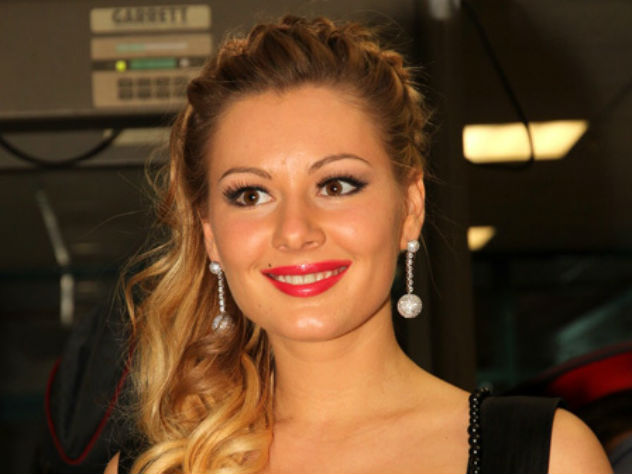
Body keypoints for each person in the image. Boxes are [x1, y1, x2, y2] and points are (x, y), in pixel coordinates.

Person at [106, 15, 612, 474]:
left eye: (335, 185)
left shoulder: (548, 456)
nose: (295, 230)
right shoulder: (154, 467)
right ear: (211, 235)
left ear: (410, 207)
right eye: (252, 194)